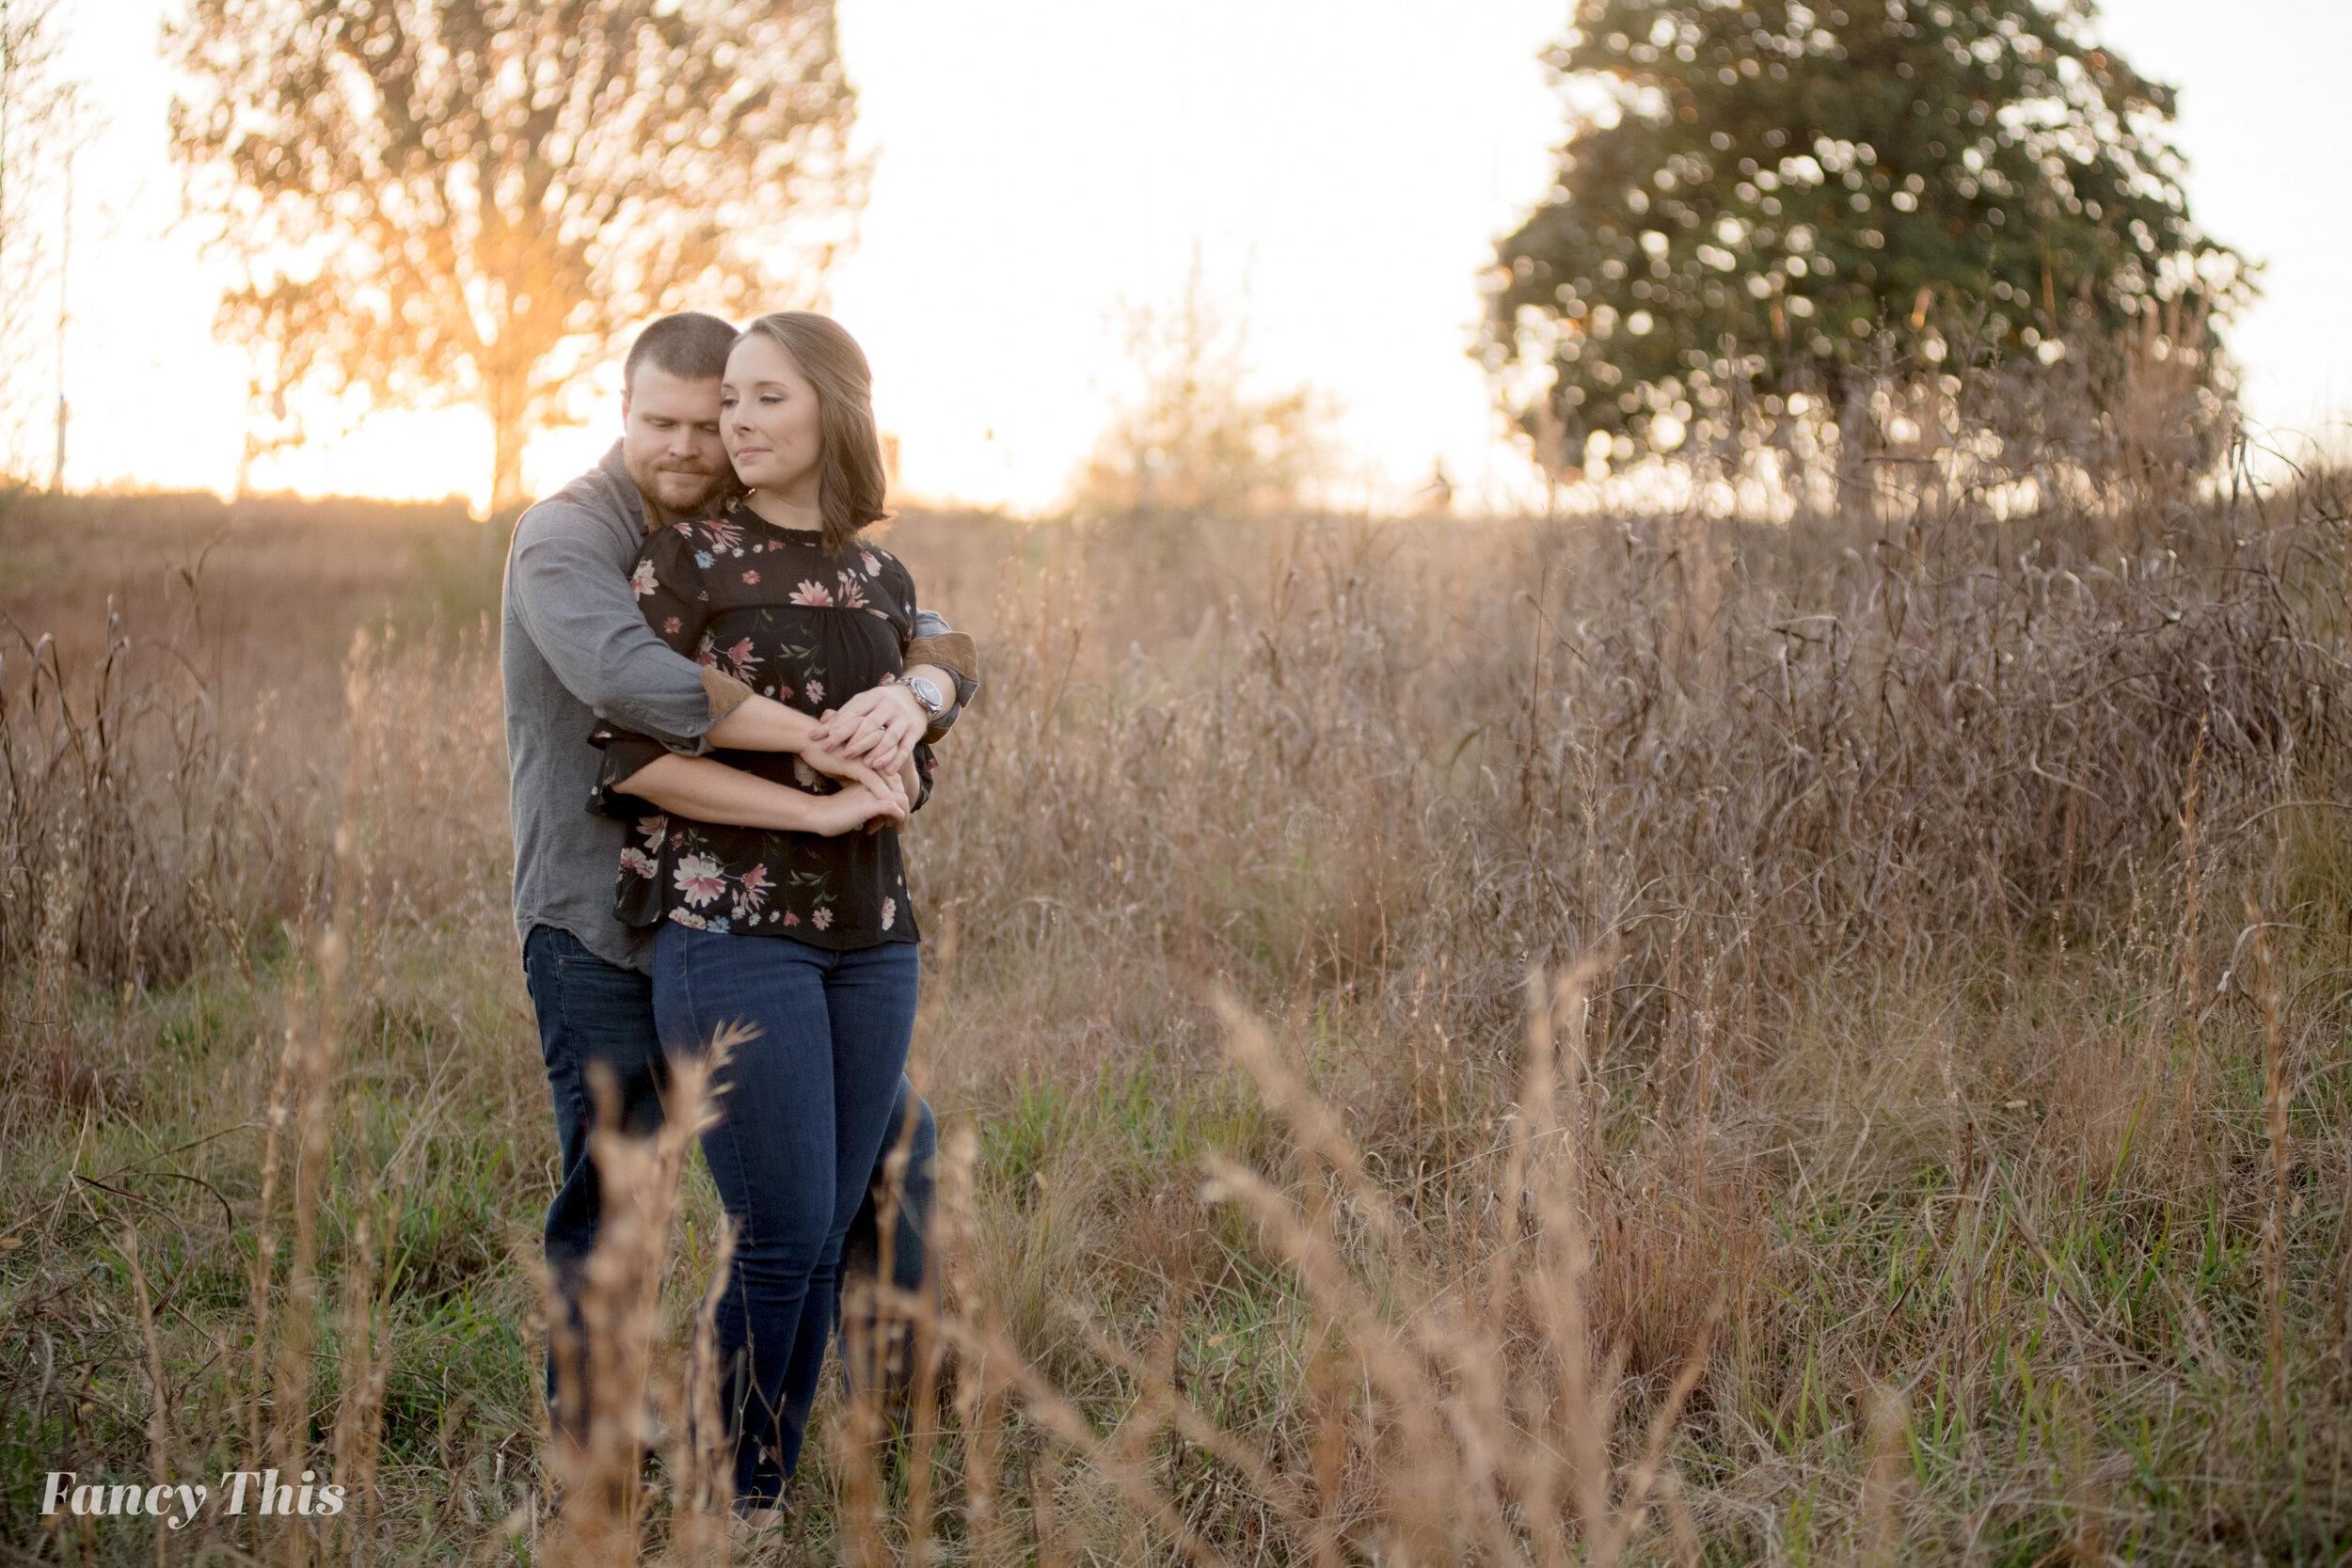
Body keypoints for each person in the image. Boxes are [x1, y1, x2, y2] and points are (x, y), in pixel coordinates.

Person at [501, 311, 971, 1456]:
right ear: (622, 413)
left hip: (796, 921)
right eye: (661, 421)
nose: (690, 442)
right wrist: (822, 753)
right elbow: (631, 680)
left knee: (886, 1166)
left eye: (713, 416)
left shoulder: (757, 528)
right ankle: (595, 1452)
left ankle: (889, 1416)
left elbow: (932, 626)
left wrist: (920, 693)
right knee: (619, 1194)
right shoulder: (575, 536)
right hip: (602, 920)